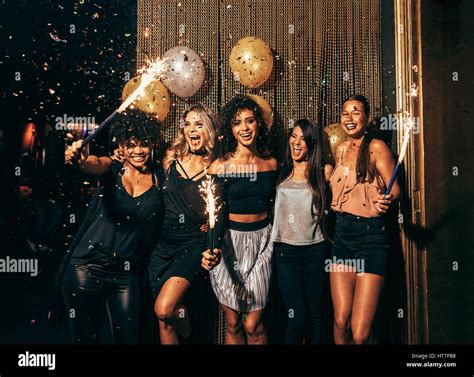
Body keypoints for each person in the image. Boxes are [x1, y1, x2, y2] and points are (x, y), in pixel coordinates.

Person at [60, 110, 163, 344]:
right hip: (86, 269)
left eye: (144, 144)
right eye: (131, 145)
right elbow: (92, 164)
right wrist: (79, 158)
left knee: (129, 339)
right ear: (122, 147)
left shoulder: (159, 178)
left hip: (126, 275)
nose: (138, 151)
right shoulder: (112, 168)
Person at [202, 95, 278, 345]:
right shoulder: (220, 167)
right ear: (230, 129)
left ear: (259, 124)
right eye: (237, 123)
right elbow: (215, 214)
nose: (244, 128)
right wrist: (211, 247)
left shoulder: (271, 163)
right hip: (229, 245)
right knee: (233, 323)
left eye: (250, 121)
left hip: (263, 243)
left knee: (254, 324)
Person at [329, 94, 400, 344]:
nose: (349, 118)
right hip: (343, 236)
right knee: (340, 322)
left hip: (371, 238)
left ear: (366, 118)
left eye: (355, 112)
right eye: (345, 113)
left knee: (360, 334)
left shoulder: (377, 147)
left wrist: (385, 199)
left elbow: (395, 189)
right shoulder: (340, 150)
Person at [146, 104, 220, 344]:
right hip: (161, 247)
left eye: (199, 124)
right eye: (187, 124)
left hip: (191, 247)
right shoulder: (171, 158)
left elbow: (218, 214)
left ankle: (189, 332)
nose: (192, 129)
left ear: (209, 129)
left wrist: (212, 243)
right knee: (164, 320)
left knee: (164, 309)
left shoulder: (217, 166)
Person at [271, 119, 333, 344]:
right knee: (296, 316)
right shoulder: (279, 171)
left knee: (316, 313)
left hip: (315, 250)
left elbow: (348, 190)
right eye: (293, 136)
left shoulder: (323, 172)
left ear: (312, 144)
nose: (296, 143)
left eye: (303, 139)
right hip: (285, 252)